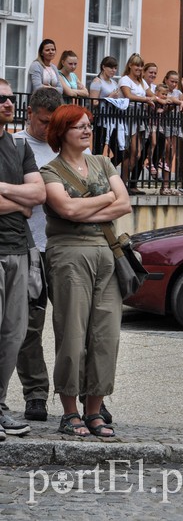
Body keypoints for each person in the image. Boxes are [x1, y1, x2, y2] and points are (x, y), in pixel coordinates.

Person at [40, 104, 132, 437]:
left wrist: (83, 210)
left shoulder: (103, 162)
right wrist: (104, 200)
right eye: (78, 126)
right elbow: (64, 208)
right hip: (68, 255)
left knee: (106, 335)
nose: (86, 130)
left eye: (88, 125)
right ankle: (69, 412)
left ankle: (95, 411)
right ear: (61, 132)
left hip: (107, 253)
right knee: (73, 334)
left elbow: (124, 203)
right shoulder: (49, 171)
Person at [7, 88, 62, 422]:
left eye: (53, 122)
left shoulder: (65, 145)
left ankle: (85, 396)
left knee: (74, 326)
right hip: (30, 247)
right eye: (43, 121)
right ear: (29, 113)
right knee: (30, 328)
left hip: (61, 246)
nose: (47, 128)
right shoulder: (14, 145)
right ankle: (36, 394)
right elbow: (27, 200)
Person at [0, 78, 46, 441]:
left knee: (13, 334)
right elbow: (27, 201)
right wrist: (22, 201)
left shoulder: (17, 147)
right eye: (0, 99)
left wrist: (4, 190)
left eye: (8, 98)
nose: (6, 103)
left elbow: (39, 194)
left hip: (20, 248)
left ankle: (0, 407)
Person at [118, 53, 156, 194]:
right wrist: (145, 99)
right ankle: (122, 184)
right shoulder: (125, 80)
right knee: (132, 152)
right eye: (137, 65)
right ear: (130, 65)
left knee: (138, 153)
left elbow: (151, 94)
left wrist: (163, 99)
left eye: (141, 66)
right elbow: (128, 96)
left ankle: (125, 183)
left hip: (140, 117)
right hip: (129, 116)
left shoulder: (142, 82)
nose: (139, 68)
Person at [88, 56, 122, 160]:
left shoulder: (114, 83)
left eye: (115, 68)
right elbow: (93, 102)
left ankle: (107, 171)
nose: (113, 70)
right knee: (98, 150)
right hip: (101, 119)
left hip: (113, 119)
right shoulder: (97, 81)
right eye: (111, 68)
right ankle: (95, 173)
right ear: (103, 67)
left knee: (120, 152)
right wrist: (109, 97)